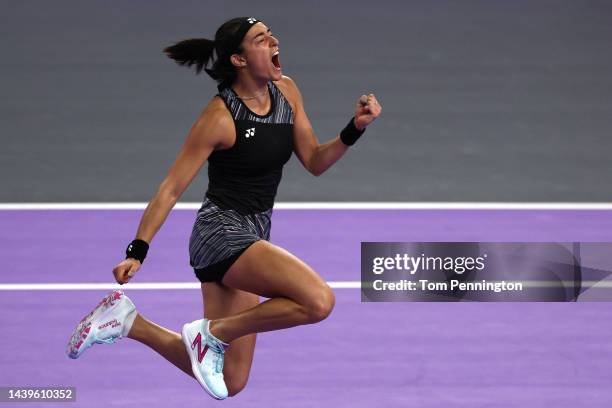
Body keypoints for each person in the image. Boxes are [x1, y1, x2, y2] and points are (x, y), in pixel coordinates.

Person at [66, 16, 381, 400]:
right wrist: (138, 249)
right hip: (220, 234)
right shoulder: (220, 116)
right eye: (262, 39)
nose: (274, 41)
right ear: (239, 59)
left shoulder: (288, 93)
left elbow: (314, 160)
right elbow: (170, 189)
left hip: (253, 234)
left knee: (231, 382)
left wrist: (354, 128)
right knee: (318, 301)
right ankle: (210, 333)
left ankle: (127, 322)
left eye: (271, 36)